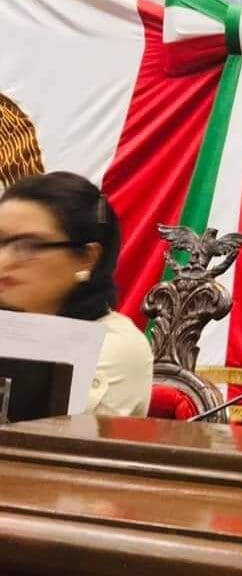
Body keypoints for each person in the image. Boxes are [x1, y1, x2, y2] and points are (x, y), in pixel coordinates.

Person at [0, 172, 153, 416]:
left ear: (88, 257)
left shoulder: (114, 344)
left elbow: (47, 432)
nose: (4, 260)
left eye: (28, 246)